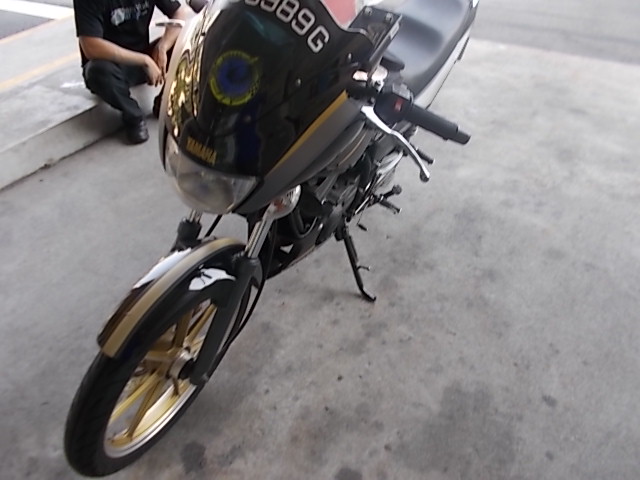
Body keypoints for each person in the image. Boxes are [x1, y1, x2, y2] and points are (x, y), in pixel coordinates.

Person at [73, 0, 190, 144]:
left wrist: (162, 46)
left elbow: (179, 13)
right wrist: (143, 60)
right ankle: (134, 117)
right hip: (111, 65)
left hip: (144, 56)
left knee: (185, 43)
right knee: (96, 71)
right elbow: (91, 46)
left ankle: (164, 100)